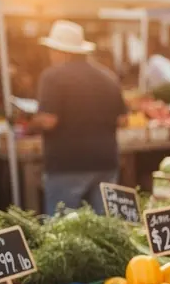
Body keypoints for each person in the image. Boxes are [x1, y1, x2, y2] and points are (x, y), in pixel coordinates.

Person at [32, 20, 126, 215]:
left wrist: (33, 120)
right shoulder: (108, 77)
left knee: (63, 230)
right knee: (104, 230)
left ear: (60, 51)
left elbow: (49, 121)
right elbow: (122, 120)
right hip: (105, 162)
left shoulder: (52, 77)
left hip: (67, 164)